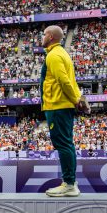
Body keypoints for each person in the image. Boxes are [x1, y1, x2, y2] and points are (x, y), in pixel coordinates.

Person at [40, 26, 90, 197]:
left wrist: (76, 100)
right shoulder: (62, 53)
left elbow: (63, 81)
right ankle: (71, 182)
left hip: (58, 105)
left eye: (44, 34)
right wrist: (77, 99)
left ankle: (68, 183)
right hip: (62, 104)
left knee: (63, 145)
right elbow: (70, 80)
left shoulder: (53, 55)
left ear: (51, 36)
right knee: (67, 144)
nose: (42, 37)